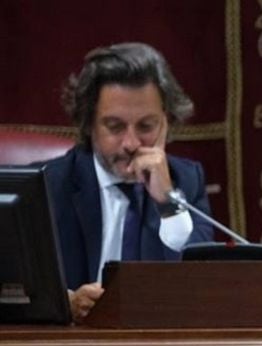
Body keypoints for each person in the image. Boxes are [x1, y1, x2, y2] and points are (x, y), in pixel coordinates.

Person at [44, 42, 214, 322]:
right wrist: (66, 303)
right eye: (115, 127)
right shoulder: (49, 185)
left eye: (146, 126)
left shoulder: (186, 181)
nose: (131, 143)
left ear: (167, 122)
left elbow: (197, 286)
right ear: (88, 124)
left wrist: (167, 202)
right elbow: (16, 289)